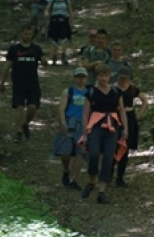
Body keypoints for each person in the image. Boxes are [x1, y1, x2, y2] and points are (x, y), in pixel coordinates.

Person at [80, 63, 128, 204]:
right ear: (97, 76)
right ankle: (91, 181)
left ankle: (102, 191)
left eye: (106, 75)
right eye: (101, 75)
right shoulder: (91, 92)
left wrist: (125, 129)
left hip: (112, 127)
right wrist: (84, 133)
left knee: (108, 158)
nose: (103, 78)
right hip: (95, 126)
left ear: (109, 76)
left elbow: (122, 111)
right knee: (93, 154)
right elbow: (85, 114)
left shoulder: (116, 92)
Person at [0, 24, 48, 143]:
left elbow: (44, 62)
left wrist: (45, 61)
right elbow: (7, 66)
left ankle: (25, 124)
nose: (28, 36)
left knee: (33, 107)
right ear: (21, 33)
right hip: (18, 82)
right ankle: (18, 132)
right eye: (26, 33)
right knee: (19, 106)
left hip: (33, 83)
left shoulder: (36, 49)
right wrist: (2, 82)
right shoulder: (14, 49)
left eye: (30, 34)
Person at [114, 66, 148, 187]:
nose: (123, 80)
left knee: (125, 148)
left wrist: (139, 115)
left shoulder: (132, 89)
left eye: (125, 78)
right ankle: (108, 173)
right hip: (116, 117)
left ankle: (120, 177)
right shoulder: (113, 89)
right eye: (121, 78)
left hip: (130, 117)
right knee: (114, 146)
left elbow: (145, 100)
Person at [57, 67, 89, 190]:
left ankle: (72, 179)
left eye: (83, 77)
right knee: (65, 152)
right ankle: (66, 170)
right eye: (79, 77)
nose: (81, 79)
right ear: (75, 78)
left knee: (80, 152)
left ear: (86, 78)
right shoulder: (68, 91)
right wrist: (63, 122)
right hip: (70, 122)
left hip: (84, 124)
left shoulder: (89, 92)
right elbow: (61, 108)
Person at [45, 0, 74, 65]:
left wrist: (71, 22)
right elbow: (47, 9)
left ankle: (63, 56)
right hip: (54, 21)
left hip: (64, 21)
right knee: (54, 40)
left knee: (65, 39)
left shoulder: (66, 0)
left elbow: (70, 11)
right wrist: (46, 13)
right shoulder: (52, 0)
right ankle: (54, 57)